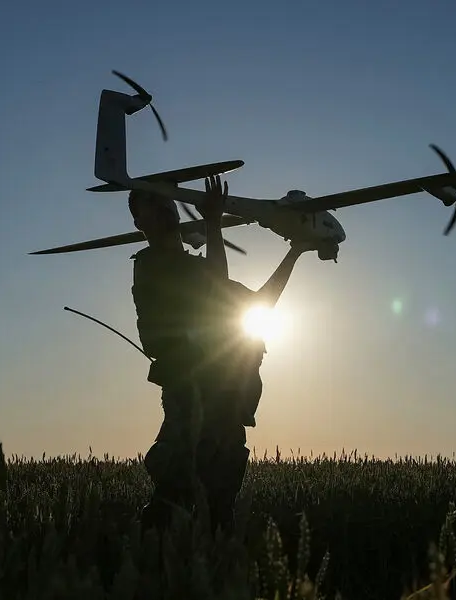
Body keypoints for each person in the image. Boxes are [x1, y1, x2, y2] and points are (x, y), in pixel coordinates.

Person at [129, 175, 317, 537]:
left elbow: (261, 303)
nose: (166, 211)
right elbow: (216, 276)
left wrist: (295, 251)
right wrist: (213, 223)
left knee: (219, 501)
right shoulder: (153, 266)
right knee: (177, 486)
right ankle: (151, 559)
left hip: (226, 400)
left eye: (167, 204)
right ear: (140, 223)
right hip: (191, 394)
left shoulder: (194, 270)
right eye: (153, 207)